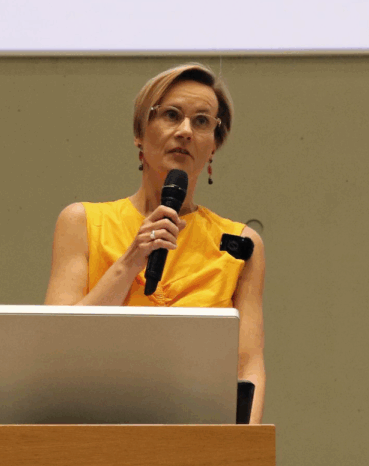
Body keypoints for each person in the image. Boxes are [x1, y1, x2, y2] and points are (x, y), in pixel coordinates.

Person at [44, 62, 267, 425]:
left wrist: (247, 444)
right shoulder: (82, 222)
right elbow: (55, 345)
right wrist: (130, 261)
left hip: (199, 430)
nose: (185, 131)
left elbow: (248, 365)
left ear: (214, 145)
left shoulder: (240, 243)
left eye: (201, 121)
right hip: (92, 423)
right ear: (140, 133)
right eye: (171, 115)